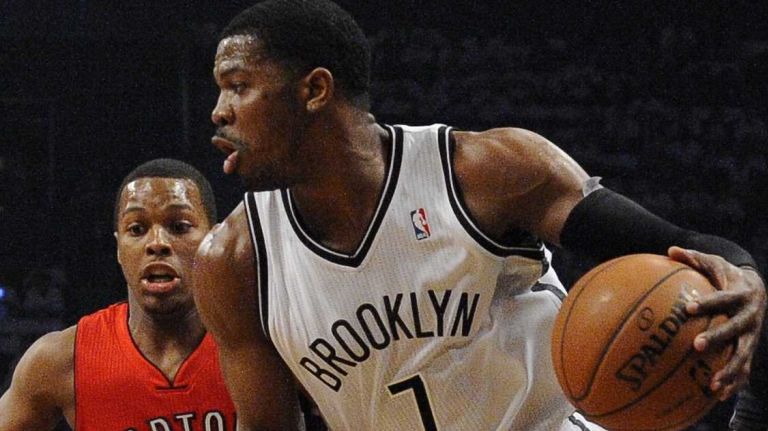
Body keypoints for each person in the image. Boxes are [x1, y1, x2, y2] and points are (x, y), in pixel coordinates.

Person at [193, 1, 767, 430]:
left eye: (238, 87)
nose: (218, 111)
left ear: (315, 90)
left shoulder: (486, 172)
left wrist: (741, 274)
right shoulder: (232, 261)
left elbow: (684, 246)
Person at [0, 159, 236, 430]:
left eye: (179, 226)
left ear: (213, 240)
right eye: (137, 229)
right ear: (118, 248)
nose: (157, 243)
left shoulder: (260, 343)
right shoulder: (62, 360)